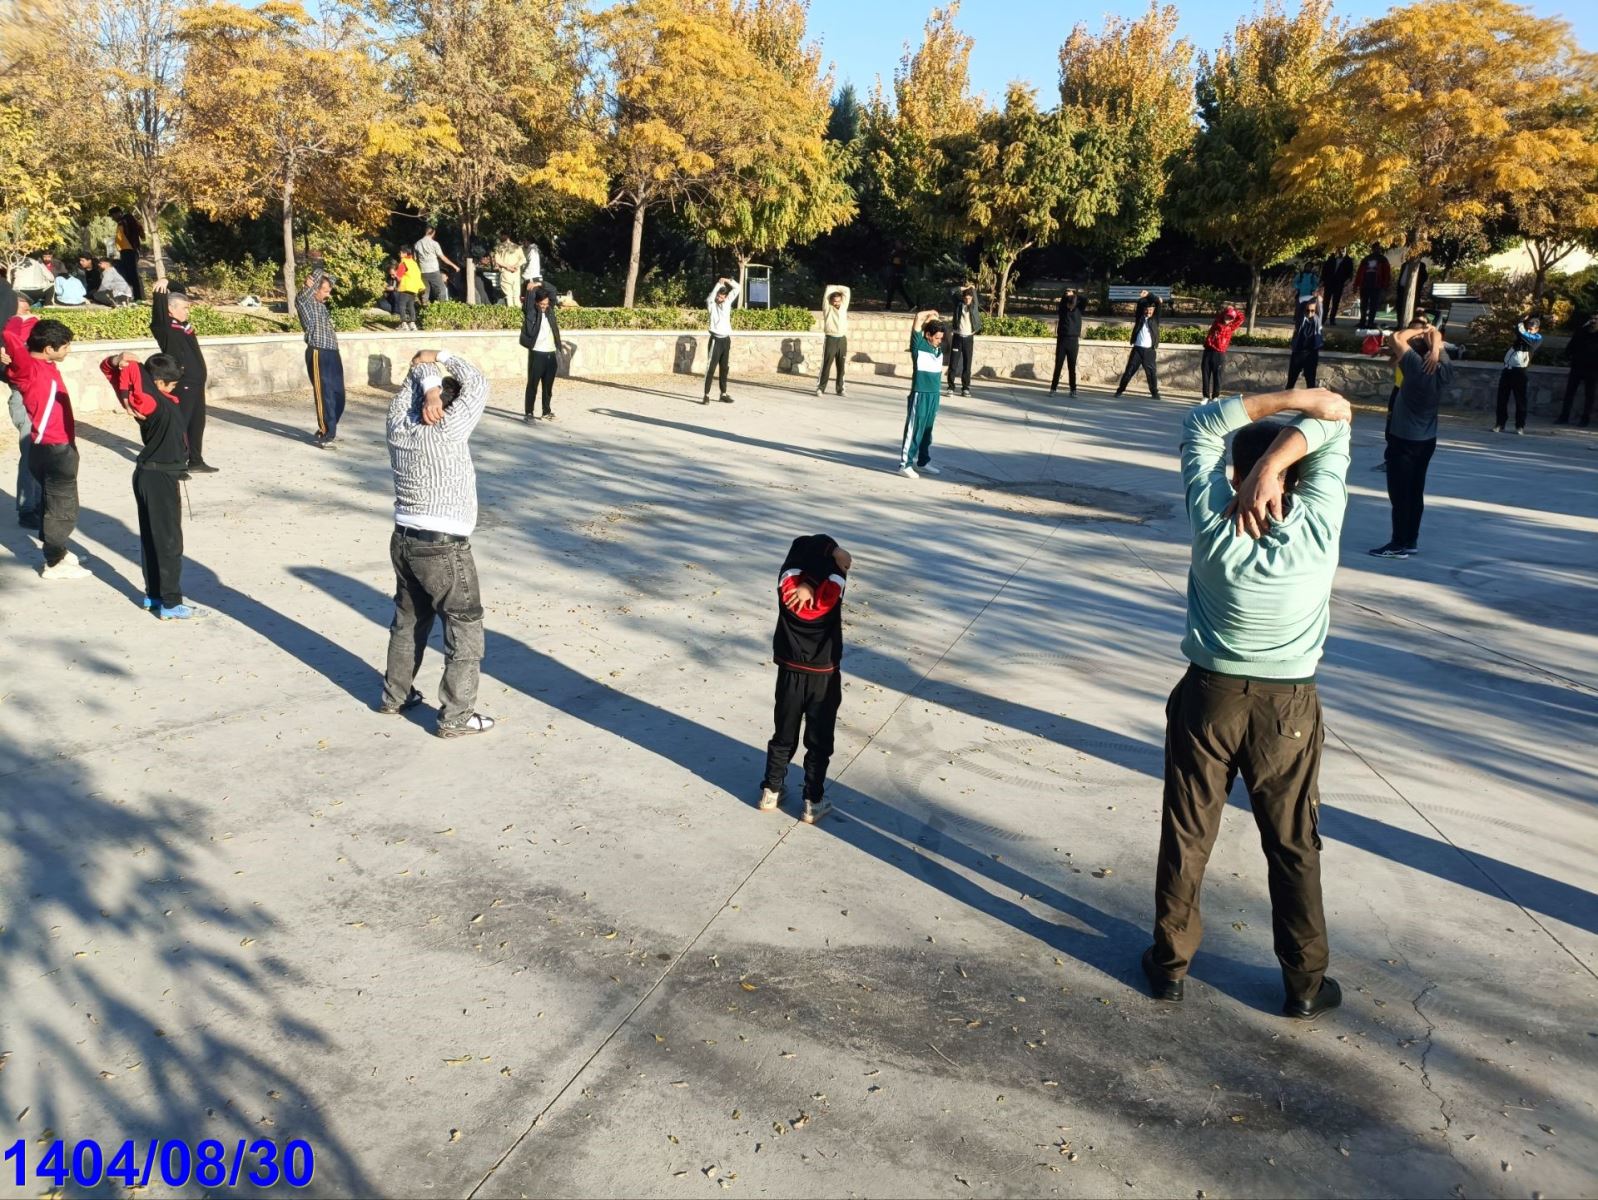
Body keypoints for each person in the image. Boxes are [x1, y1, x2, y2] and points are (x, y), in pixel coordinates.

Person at [1144, 383, 1353, 1021]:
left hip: (1209, 695)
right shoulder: (1318, 520)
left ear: (1233, 473)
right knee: (1293, 842)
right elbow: (1337, 417)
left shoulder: (1213, 515)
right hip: (1288, 707)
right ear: (1298, 473)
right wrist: (1275, 463)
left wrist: (1282, 406)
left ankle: (1170, 966)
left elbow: (1201, 424)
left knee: (1188, 832)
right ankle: (1305, 983)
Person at [379, 349, 495, 738]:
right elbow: (478, 382)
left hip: (404, 539)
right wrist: (441, 355)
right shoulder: (449, 427)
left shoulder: (397, 424)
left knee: (408, 619)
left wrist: (426, 381)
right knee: (464, 626)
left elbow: (410, 380)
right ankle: (456, 717)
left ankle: (394, 696)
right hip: (444, 546)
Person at [759, 533, 852, 825]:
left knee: (783, 734)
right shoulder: (834, 584)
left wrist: (806, 579)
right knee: (819, 739)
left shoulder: (785, 584)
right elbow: (839, 562)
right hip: (823, 674)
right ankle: (813, 800)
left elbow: (796, 561)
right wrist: (835, 553)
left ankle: (771, 790)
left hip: (789, 670)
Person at [100, 351, 198, 618]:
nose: (174, 388)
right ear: (158, 383)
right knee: (168, 541)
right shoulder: (150, 400)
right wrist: (126, 360)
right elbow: (134, 375)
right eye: (171, 384)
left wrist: (115, 363)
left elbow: (111, 371)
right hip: (158, 478)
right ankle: (170, 603)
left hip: (152, 475)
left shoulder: (149, 398)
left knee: (155, 538)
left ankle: (155, 595)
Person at [3, 316, 87, 579]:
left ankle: (57, 549)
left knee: (52, 502)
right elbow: (10, 334)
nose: (69, 349)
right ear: (49, 348)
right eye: (65, 346)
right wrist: (15, 314)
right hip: (53, 448)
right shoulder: (29, 368)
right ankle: (54, 562)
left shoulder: (44, 363)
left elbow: (23, 332)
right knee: (63, 507)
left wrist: (27, 319)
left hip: (53, 446)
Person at [1370, 321, 1449, 559]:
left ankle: (1397, 544)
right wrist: (1434, 345)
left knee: (1400, 495)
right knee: (1415, 492)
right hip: (1427, 440)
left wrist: (1420, 330)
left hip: (1404, 440)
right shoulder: (1443, 367)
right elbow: (1438, 340)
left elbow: (1396, 337)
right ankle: (1411, 540)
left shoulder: (1416, 366)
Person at [150, 279, 216, 473]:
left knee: (197, 423)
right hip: (183, 383)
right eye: (184, 308)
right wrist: (159, 291)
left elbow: (179, 290)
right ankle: (175, 464)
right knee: (181, 424)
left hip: (196, 383)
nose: (187, 312)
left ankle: (196, 461)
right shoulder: (165, 327)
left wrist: (169, 281)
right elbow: (159, 309)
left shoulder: (184, 326)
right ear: (170, 309)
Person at [2, 289, 43, 528]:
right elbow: (11, 338)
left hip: (38, 392)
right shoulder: (10, 326)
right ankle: (28, 508)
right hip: (22, 394)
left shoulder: (34, 325)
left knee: (40, 451)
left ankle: (36, 503)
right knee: (30, 451)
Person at [295, 268, 344, 447]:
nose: (328, 294)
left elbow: (333, 278)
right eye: (324, 290)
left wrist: (327, 279)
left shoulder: (322, 306)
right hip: (318, 352)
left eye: (329, 291)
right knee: (325, 393)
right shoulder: (304, 302)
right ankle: (326, 433)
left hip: (333, 352)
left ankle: (329, 426)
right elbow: (305, 292)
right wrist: (311, 280)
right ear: (314, 288)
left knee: (339, 395)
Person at [898, 310, 945, 478]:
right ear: (928, 335)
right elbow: (918, 318)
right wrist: (930, 312)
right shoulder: (918, 345)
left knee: (927, 431)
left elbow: (935, 323)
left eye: (941, 338)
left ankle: (922, 462)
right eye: (937, 338)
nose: (940, 341)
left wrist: (934, 318)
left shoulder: (937, 348)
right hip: (920, 394)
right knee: (915, 429)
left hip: (934, 394)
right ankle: (905, 465)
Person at [1494, 315, 1543, 434]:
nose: (1529, 330)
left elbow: (1520, 332)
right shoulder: (1523, 335)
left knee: (1520, 400)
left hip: (1520, 372)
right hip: (1508, 370)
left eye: (1532, 329)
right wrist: (1522, 322)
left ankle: (1520, 426)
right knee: (1502, 399)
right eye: (1528, 327)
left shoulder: (1537, 338)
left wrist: (1521, 321)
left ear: (1537, 329)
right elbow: (1520, 332)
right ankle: (1500, 423)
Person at [520, 284, 562, 423]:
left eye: (546, 303)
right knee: (532, 385)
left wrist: (540, 284)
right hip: (537, 353)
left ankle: (546, 411)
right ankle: (529, 413)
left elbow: (553, 290)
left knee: (548, 387)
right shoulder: (531, 312)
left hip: (551, 353)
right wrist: (531, 289)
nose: (544, 306)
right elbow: (529, 299)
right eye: (542, 304)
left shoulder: (550, 311)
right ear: (536, 303)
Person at [1114, 290, 1162, 400]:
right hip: (1137, 349)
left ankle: (1154, 393)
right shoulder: (1140, 318)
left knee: (1151, 373)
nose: (1148, 312)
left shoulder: (1155, 319)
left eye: (1151, 310)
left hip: (1149, 351)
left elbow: (1158, 303)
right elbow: (1140, 303)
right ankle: (1120, 390)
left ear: (1154, 310)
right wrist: (1144, 297)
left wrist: (1149, 294)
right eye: (1147, 309)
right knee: (1129, 371)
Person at [702, 276, 741, 404]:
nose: (719, 298)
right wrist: (719, 284)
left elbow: (738, 288)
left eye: (722, 297)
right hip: (715, 340)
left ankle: (723, 394)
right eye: (718, 296)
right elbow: (711, 297)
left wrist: (728, 281)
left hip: (726, 340)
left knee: (724, 368)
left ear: (725, 297)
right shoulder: (711, 305)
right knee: (711, 368)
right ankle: (706, 395)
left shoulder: (727, 303)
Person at [1556, 313, 1597, 427]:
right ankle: (1564, 417)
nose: (1593, 321)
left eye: (1596, 319)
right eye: (1592, 318)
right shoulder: (1581, 332)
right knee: (1569, 393)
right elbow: (1570, 347)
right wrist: (1570, 357)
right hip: (1577, 367)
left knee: (1589, 395)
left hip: (1593, 369)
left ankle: (1585, 419)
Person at [1200, 303, 1245, 400]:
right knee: (1205, 374)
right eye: (1227, 316)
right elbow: (1220, 315)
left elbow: (1241, 318)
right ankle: (1205, 396)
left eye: (1231, 317)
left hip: (1219, 353)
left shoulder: (1231, 327)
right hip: (1208, 351)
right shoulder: (1217, 323)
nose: (1228, 318)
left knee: (1217, 376)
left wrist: (1234, 310)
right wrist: (1227, 310)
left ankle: (1215, 396)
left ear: (1233, 319)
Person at [946, 284, 982, 397]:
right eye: (966, 298)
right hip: (957, 337)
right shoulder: (958, 304)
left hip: (969, 338)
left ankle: (965, 388)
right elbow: (950, 291)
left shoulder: (974, 305)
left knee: (967, 365)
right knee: (953, 364)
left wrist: (972, 288)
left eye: (969, 298)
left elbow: (974, 294)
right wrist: (963, 288)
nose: (967, 300)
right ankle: (950, 387)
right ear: (963, 298)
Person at [815, 285, 851, 396]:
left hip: (842, 339)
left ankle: (840, 389)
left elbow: (847, 290)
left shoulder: (844, 306)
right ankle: (820, 388)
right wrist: (830, 288)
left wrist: (836, 287)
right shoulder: (827, 308)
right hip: (831, 338)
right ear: (831, 301)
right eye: (834, 301)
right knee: (826, 365)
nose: (837, 303)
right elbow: (827, 292)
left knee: (841, 366)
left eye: (838, 301)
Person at [1286, 292, 1324, 389]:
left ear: (1316, 311)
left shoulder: (1318, 320)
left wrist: (1317, 299)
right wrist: (1313, 297)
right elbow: (1299, 300)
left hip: (1311, 353)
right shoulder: (1300, 319)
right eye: (1307, 310)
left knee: (1311, 383)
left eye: (1312, 311)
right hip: (1298, 352)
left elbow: (1320, 302)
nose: (1310, 313)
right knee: (1291, 382)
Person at [1050, 289, 1083, 396]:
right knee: (1058, 366)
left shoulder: (1079, 309)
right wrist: (1067, 296)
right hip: (1062, 340)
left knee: (1072, 367)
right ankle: (1053, 388)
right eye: (1068, 299)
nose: (1070, 303)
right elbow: (1063, 301)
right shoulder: (1063, 309)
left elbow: (1084, 299)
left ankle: (1073, 389)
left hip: (1073, 341)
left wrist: (1074, 295)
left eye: (1071, 300)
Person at [414, 225, 457, 304]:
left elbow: (415, 259)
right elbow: (442, 257)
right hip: (433, 270)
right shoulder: (434, 244)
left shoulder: (417, 244)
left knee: (425, 291)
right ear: (433, 233)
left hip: (423, 271)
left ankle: (424, 306)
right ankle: (442, 306)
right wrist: (454, 266)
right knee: (442, 289)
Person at [110, 206, 145, 300]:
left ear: (118, 213)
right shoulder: (123, 221)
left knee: (132, 274)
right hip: (125, 250)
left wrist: (134, 245)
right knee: (128, 273)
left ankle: (138, 297)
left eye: (113, 216)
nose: (112, 218)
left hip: (129, 250)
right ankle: (133, 296)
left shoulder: (126, 219)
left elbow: (137, 229)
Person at [1354, 247, 1390, 328]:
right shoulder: (1366, 259)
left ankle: (1370, 322)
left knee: (1373, 305)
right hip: (1365, 284)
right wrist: (1356, 285)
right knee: (1363, 304)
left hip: (1376, 285)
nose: (1376, 250)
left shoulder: (1383, 260)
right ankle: (1362, 321)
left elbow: (1386, 274)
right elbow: (1359, 273)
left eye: (1378, 248)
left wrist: (1385, 285)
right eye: (1375, 248)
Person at [1320, 249, 1353, 325]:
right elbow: (1325, 270)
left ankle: (1332, 319)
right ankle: (1323, 318)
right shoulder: (1331, 259)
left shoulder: (1348, 261)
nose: (1341, 252)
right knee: (1326, 301)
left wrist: (1345, 282)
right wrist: (1323, 280)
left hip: (1339, 283)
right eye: (1340, 250)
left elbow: (1349, 273)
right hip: (1329, 282)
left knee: (1335, 302)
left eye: (1343, 250)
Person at [493, 235, 526, 309]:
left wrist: (507, 267)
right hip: (515, 273)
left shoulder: (499, 247)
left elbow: (497, 260)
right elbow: (523, 259)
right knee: (516, 295)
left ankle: (511, 312)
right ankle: (518, 312)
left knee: (509, 296)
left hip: (506, 273)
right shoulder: (517, 247)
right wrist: (516, 266)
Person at [394, 248, 423, 331]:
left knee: (402, 305)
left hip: (405, 286)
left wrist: (395, 275)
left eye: (400, 253)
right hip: (414, 288)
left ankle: (403, 324)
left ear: (405, 254)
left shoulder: (404, 262)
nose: (399, 254)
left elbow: (399, 277)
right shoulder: (414, 263)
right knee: (411, 305)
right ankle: (412, 324)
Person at [884, 246, 914, 311]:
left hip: (896, 275)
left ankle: (887, 307)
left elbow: (897, 263)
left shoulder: (899, 254)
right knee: (900, 291)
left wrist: (892, 259)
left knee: (891, 291)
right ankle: (911, 305)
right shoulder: (897, 253)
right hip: (896, 275)